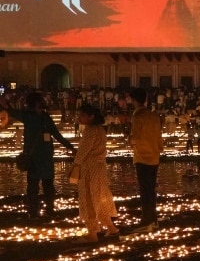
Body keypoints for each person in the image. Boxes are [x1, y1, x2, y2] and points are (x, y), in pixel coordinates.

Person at [1, 92, 75, 221]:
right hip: (42, 157)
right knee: (44, 186)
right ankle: (46, 210)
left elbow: (12, 112)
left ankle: (35, 211)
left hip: (37, 157)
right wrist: (70, 147)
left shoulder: (32, 117)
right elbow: (57, 135)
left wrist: (6, 106)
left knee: (37, 186)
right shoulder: (40, 117)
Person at [71, 104, 121, 244]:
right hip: (99, 168)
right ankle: (111, 229)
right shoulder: (100, 129)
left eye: (82, 115)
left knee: (88, 199)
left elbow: (83, 151)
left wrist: (75, 164)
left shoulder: (90, 131)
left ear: (91, 116)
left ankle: (92, 234)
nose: (79, 118)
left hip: (89, 169)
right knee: (100, 197)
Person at [127, 88, 163, 233]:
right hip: (154, 156)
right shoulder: (153, 116)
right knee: (151, 190)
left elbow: (135, 137)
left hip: (142, 157)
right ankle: (152, 219)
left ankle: (146, 219)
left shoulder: (137, 117)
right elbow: (159, 136)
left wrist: (129, 140)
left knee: (145, 190)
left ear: (134, 101)